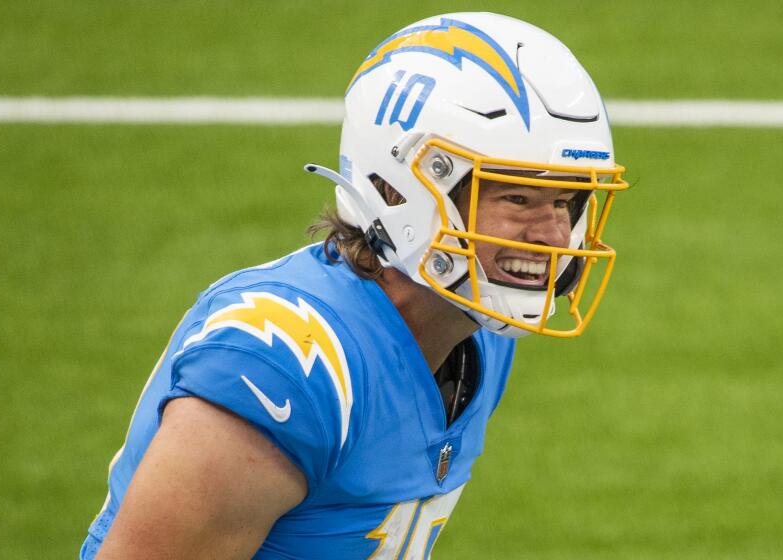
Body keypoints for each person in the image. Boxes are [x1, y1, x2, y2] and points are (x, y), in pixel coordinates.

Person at [81, 12, 628, 559]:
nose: (556, 237)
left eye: (566, 201)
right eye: (517, 199)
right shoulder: (286, 364)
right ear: (399, 188)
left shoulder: (479, 331)